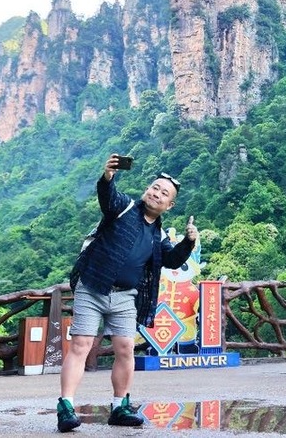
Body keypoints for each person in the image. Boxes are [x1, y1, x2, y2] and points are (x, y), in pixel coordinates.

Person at [56, 159, 198, 432]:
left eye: (164, 193)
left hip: (125, 297)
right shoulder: (124, 208)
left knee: (125, 350)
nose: (156, 193)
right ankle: (66, 407)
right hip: (93, 286)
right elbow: (108, 198)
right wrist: (108, 176)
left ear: (170, 206)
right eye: (154, 188)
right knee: (81, 346)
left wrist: (189, 241)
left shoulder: (158, 235)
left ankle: (120, 406)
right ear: (147, 189)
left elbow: (171, 260)